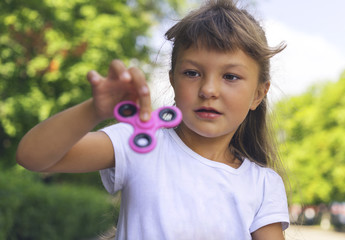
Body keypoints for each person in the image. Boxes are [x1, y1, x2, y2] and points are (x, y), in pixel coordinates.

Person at [16, 0, 290, 239]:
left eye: (230, 76)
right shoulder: (139, 142)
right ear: (172, 79)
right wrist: (94, 111)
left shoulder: (263, 184)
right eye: (192, 73)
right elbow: (32, 157)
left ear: (258, 94)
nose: (208, 90)